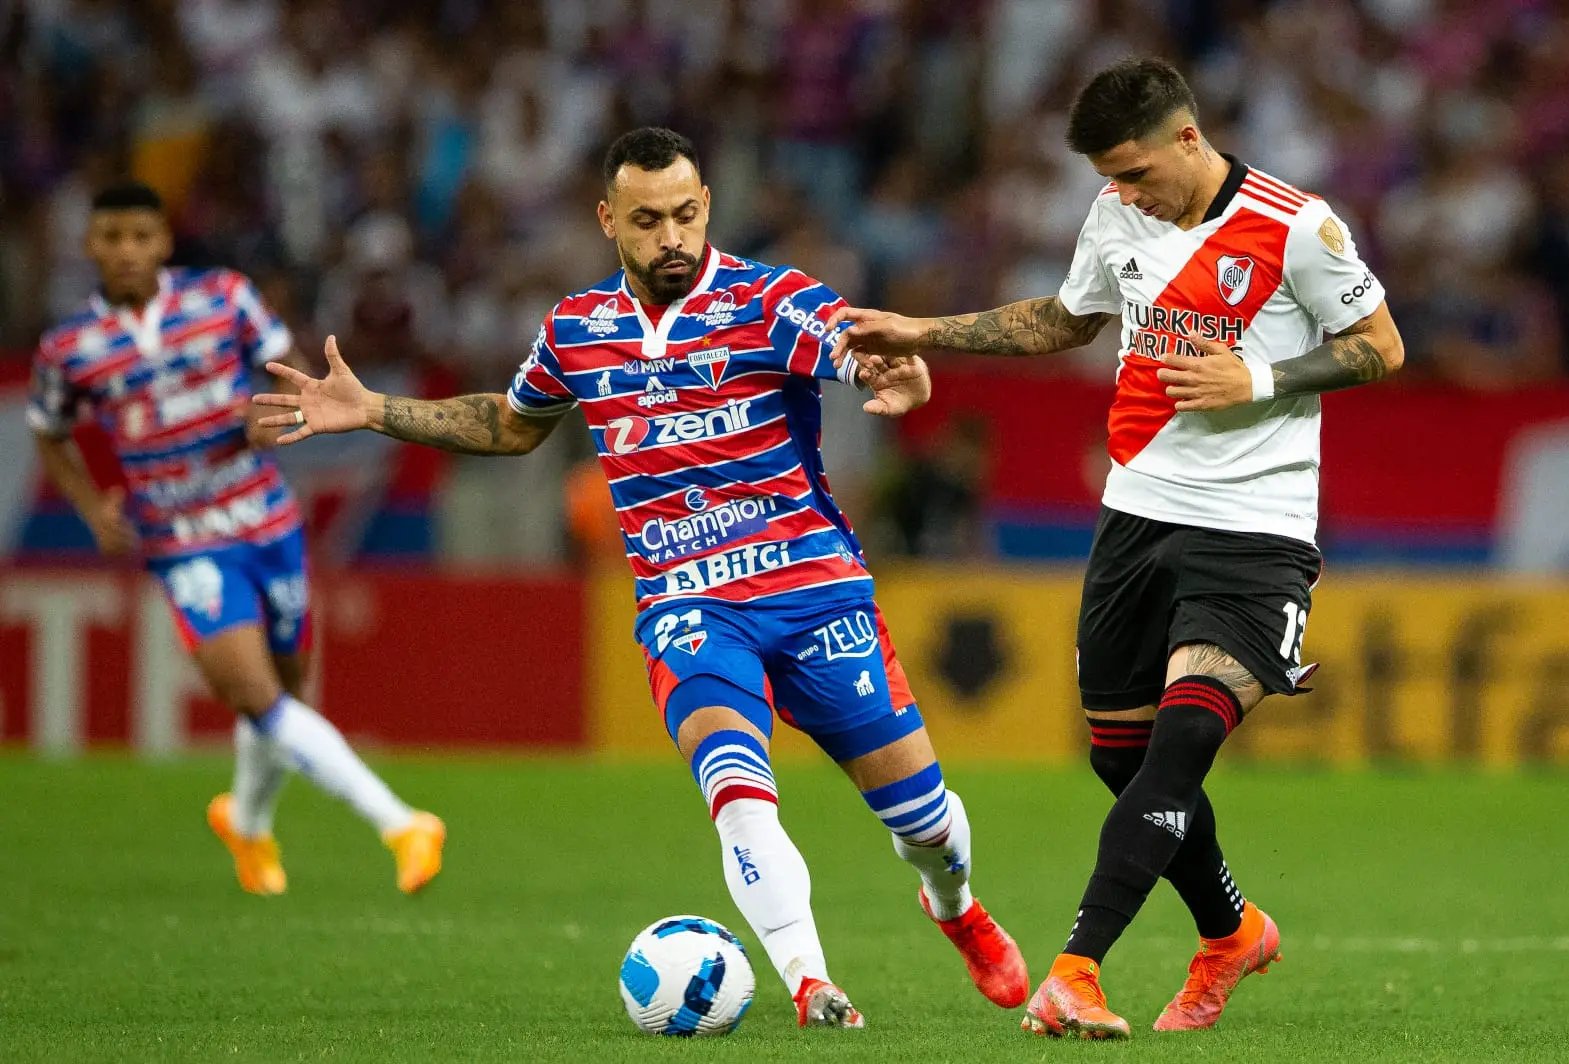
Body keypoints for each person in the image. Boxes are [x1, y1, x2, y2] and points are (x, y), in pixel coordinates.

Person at [255, 128, 1028, 1028]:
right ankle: (812, 982)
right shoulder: (577, 331)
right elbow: (512, 425)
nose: (672, 237)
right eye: (649, 220)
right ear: (607, 221)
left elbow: (853, 347)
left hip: (816, 593)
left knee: (924, 822)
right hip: (689, 606)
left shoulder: (771, 298)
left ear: (708, 207)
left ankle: (955, 906)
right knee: (739, 795)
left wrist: (891, 372)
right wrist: (375, 409)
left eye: (687, 215)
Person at [825, 58, 1405, 1039]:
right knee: (1121, 757)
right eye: (1111, 177)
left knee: (1180, 742)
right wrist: (922, 328)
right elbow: (1066, 317)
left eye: (1135, 172)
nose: (1124, 191)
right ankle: (1231, 929)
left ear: (1188, 137)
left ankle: (1076, 968)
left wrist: (1259, 377)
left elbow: (1382, 345)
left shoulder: (1297, 225)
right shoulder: (1115, 215)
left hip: (1253, 530)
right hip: (1136, 515)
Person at [28, 181, 445, 897]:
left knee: (280, 700)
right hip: (183, 538)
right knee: (258, 695)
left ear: (162, 241)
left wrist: (268, 417)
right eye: (112, 237)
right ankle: (401, 823)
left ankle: (246, 824)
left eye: (139, 236)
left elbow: (286, 372)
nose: (127, 251)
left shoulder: (224, 298)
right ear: (91, 245)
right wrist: (93, 508)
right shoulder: (72, 349)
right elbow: (48, 429)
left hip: (266, 519)